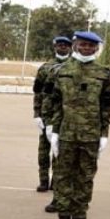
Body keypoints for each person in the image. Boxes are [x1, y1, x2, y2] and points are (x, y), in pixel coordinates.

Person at [46, 31, 110, 219]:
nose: (86, 48)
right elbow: (55, 103)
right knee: (63, 175)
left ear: (96, 48)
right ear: (76, 45)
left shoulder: (104, 74)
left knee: (85, 176)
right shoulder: (61, 71)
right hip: (66, 133)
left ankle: (80, 216)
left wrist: (104, 134)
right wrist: (53, 130)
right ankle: (64, 216)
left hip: (91, 134)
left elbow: (106, 107)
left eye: (91, 46)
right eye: (83, 45)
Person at [32, 36, 71, 192]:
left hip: (63, 117)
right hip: (46, 115)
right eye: (59, 45)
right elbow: (37, 92)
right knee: (43, 152)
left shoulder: (73, 67)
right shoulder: (45, 68)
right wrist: (36, 113)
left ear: (70, 48)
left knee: (58, 152)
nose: (62, 48)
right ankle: (43, 180)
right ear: (55, 47)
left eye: (65, 46)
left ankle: (56, 181)